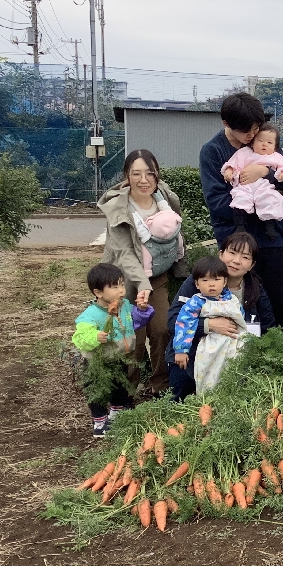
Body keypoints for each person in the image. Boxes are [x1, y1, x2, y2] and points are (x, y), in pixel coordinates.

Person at [200, 93, 283, 330]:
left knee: (279, 302)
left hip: (274, 239)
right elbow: (217, 202)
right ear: (226, 124)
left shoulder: (265, 141)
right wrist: (255, 203)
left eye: (256, 129)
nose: (253, 137)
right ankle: (248, 358)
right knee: (244, 305)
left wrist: (264, 173)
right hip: (237, 243)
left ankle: (282, 356)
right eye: (246, 132)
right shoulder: (212, 151)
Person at [99, 149, 185, 397]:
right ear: (127, 176)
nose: (143, 179)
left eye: (149, 173)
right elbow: (124, 253)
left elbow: (176, 232)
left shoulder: (165, 198)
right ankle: (128, 391)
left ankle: (161, 385)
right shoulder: (118, 207)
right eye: (136, 173)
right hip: (124, 282)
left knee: (161, 330)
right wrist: (142, 284)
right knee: (131, 339)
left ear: (157, 176)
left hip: (157, 277)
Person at [166, 232, 275, 401]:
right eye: (232, 252)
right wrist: (210, 325)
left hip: (236, 360)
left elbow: (268, 328)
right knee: (182, 401)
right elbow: (173, 321)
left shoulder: (255, 288)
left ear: (252, 265)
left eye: (245, 257)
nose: (236, 260)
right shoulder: (199, 281)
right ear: (221, 254)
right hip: (192, 354)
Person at [72, 263, 154, 438]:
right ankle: (100, 422)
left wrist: (142, 310)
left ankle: (116, 414)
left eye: (122, 285)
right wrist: (95, 337)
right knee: (98, 391)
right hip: (98, 362)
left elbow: (136, 322)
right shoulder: (90, 315)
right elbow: (79, 338)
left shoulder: (124, 305)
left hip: (120, 356)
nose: (121, 290)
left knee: (120, 387)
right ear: (98, 293)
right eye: (114, 287)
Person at [172, 256, 247, 395]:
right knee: (209, 375)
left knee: (232, 375)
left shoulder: (232, 299)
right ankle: (207, 401)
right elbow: (183, 324)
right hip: (209, 346)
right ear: (197, 284)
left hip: (231, 344)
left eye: (216, 279)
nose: (211, 284)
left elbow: (241, 320)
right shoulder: (196, 302)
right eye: (205, 280)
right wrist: (181, 349)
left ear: (225, 282)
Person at [221, 123, 283, 222]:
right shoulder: (244, 152)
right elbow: (233, 162)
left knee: (272, 199)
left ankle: (270, 224)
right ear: (252, 143)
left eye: (269, 142)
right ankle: (240, 223)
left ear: (275, 147)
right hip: (245, 186)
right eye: (260, 140)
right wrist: (229, 170)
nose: (264, 144)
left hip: (265, 187)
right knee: (240, 199)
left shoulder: (275, 156)